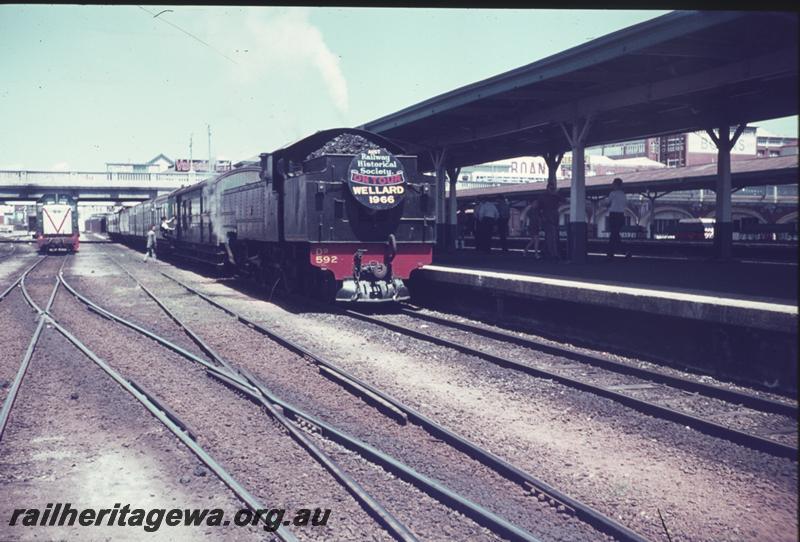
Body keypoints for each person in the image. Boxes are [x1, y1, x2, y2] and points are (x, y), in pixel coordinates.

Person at [602, 177, 630, 260]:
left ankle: (616, 252)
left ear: (616, 185)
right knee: (615, 234)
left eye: (613, 184)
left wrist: (604, 204)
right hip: (621, 215)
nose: (612, 185)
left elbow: (607, 203)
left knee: (614, 234)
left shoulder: (612, 193)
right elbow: (625, 205)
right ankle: (614, 252)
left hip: (613, 215)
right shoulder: (623, 195)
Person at [539, 184, 562, 260]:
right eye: (551, 188)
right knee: (552, 237)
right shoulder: (549, 196)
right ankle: (553, 253)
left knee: (550, 237)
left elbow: (540, 208)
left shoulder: (545, 196)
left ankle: (549, 252)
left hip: (550, 219)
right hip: (550, 219)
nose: (552, 189)